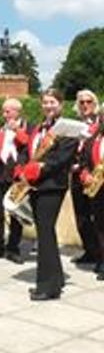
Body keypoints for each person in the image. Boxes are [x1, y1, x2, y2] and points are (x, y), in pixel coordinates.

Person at [22, 89, 79, 301]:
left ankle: (47, 287)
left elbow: (63, 157)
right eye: (45, 102)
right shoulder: (38, 128)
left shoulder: (68, 127)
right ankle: (55, 278)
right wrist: (23, 168)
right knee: (45, 232)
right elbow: (29, 152)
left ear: (61, 104)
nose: (48, 106)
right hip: (36, 185)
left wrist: (40, 169)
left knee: (45, 231)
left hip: (53, 185)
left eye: (52, 102)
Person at [0, 98, 31, 264]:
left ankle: (13, 247)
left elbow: (28, 144)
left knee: (16, 214)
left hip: (17, 177)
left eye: (8, 111)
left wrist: (17, 129)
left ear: (18, 111)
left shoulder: (28, 127)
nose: (5, 114)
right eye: (3, 111)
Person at [70, 89, 100, 265]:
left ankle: (101, 255)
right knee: (81, 215)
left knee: (98, 216)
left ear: (95, 104)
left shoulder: (100, 124)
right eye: (81, 102)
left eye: (88, 101)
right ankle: (90, 250)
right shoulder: (73, 126)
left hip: (96, 176)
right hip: (76, 176)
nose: (85, 105)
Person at [79, 107, 104, 280]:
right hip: (98, 189)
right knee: (100, 226)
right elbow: (83, 163)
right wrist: (85, 175)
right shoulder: (91, 140)